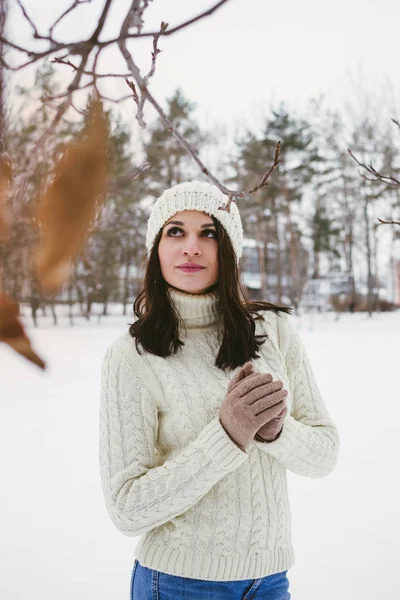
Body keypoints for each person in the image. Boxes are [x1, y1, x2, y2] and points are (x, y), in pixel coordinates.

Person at [99, 181, 340, 599]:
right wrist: (227, 434)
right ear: (156, 249)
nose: (191, 247)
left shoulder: (273, 331)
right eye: (175, 231)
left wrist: (277, 431)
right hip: (177, 584)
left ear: (228, 248)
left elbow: (324, 454)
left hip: (269, 581)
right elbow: (127, 507)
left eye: (208, 233)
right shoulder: (131, 357)